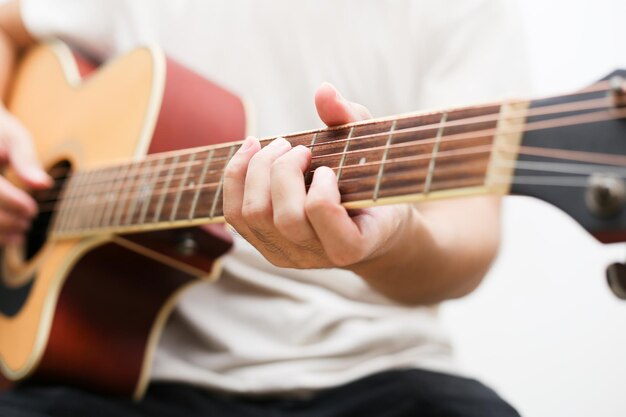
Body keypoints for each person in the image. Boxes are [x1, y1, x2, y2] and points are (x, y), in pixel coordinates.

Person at [0, 0, 529, 415]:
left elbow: (468, 244)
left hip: (376, 368)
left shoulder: (465, 9)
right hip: (120, 368)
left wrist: (383, 245)